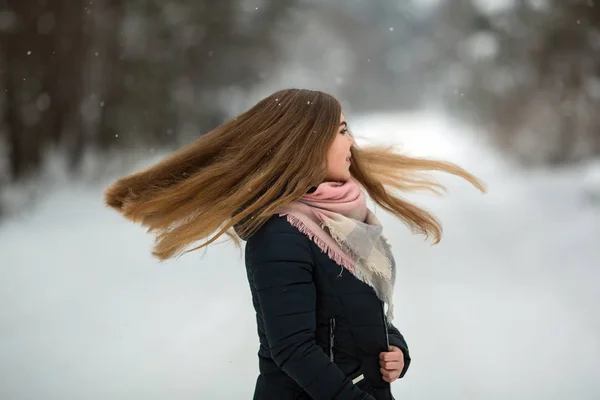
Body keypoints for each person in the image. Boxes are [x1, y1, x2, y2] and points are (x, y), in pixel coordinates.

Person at [104, 88, 485, 399]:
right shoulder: (280, 235)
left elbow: (359, 309)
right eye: (341, 131)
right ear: (307, 144)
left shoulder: (344, 221)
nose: (352, 141)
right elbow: (293, 349)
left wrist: (396, 349)